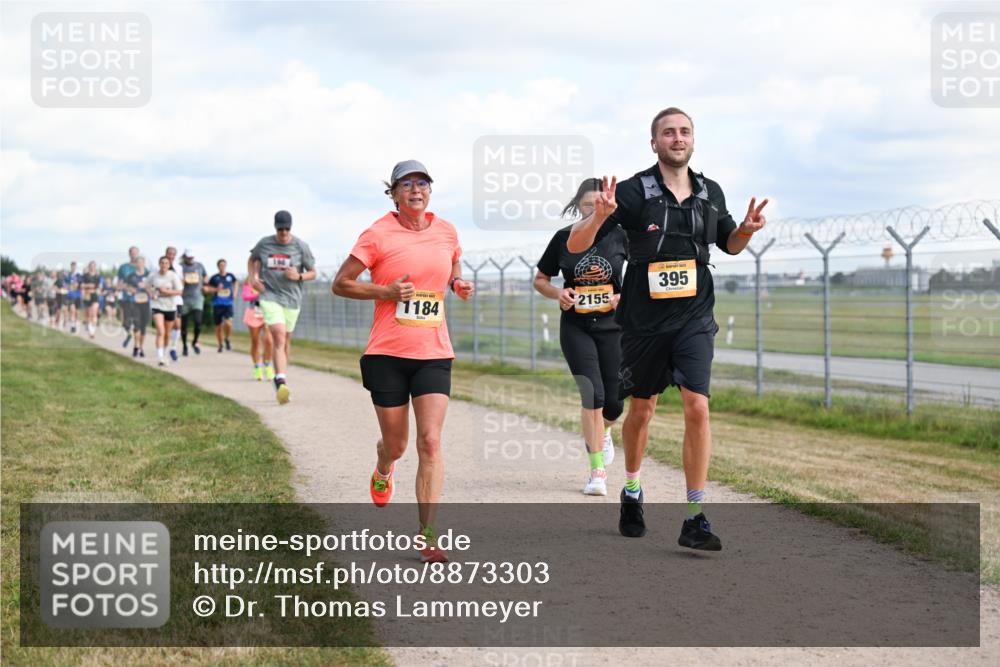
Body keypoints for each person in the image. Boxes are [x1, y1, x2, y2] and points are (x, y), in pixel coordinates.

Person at [566, 107, 769, 551]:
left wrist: (748, 232)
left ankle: (695, 515)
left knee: (698, 406)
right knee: (642, 412)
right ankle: (633, 489)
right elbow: (576, 244)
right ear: (654, 143)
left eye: (685, 131)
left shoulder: (709, 192)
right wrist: (600, 216)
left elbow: (729, 244)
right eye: (668, 133)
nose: (678, 138)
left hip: (695, 317)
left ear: (693, 140)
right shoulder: (636, 192)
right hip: (644, 322)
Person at [333, 160, 474, 563]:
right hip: (386, 353)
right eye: (407, 184)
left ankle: (428, 534)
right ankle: (383, 465)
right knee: (397, 445)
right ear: (393, 193)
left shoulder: (446, 230)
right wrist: (387, 292)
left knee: (430, 441)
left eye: (423, 183)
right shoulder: (377, 233)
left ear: (430, 191)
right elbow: (341, 284)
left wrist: (456, 282)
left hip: (433, 351)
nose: (416, 189)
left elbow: (453, 263)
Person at [535, 178, 627, 496]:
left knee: (614, 405)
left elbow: (641, 275)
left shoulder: (621, 235)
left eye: (598, 204)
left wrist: (622, 297)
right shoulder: (564, 238)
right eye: (587, 205)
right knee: (593, 394)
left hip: (614, 327)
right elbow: (540, 279)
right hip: (576, 327)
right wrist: (557, 293)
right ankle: (596, 472)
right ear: (578, 206)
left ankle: (604, 432)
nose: (593, 210)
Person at [248, 210, 317, 404]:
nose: (284, 233)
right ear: (275, 228)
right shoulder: (265, 243)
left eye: (287, 229)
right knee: (277, 334)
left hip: (292, 299)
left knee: (284, 340)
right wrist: (253, 279)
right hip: (270, 295)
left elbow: (313, 272)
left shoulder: (301, 246)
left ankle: (281, 376)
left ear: (291, 227)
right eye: (280, 229)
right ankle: (280, 381)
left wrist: (299, 276)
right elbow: (252, 259)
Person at [149, 256, 183, 366]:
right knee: (160, 331)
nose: (164, 265)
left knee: (167, 334)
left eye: (166, 263)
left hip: (170, 306)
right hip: (157, 305)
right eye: (162, 263)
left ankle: (163, 354)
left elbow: (180, 291)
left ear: (169, 265)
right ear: (159, 264)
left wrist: (167, 292)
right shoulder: (153, 275)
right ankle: (160, 357)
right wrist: (151, 293)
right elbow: (146, 286)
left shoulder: (173, 276)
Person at [241, 279, 275, 381]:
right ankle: (257, 367)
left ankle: (268, 366)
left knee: (269, 340)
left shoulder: (271, 278)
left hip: (268, 313)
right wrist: (260, 294)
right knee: (255, 341)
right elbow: (246, 296)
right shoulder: (249, 280)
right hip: (254, 313)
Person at [179, 249, 208, 356]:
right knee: (184, 325)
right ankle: (184, 346)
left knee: (198, 322)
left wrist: (205, 282)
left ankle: (195, 342)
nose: (190, 259)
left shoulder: (199, 266)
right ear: (185, 256)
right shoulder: (180, 267)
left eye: (192, 257)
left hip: (197, 297)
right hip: (184, 298)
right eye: (188, 257)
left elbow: (205, 276)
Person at [206, 259, 238, 352]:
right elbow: (207, 289)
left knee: (228, 323)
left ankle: (227, 338)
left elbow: (236, 282)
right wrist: (216, 289)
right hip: (217, 304)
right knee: (218, 327)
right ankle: (220, 344)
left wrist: (235, 293)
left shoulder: (230, 276)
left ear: (226, 266)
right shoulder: (214, 277)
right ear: (218, 266)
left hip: (228, 304)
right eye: (220, 265)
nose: (222, 266)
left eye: (224, 265)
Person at [126, 256, 152, 358]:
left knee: (143, 326)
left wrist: (146, 286)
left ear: (144, 263)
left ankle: (141, 347)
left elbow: (153, 288)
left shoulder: (149, 275)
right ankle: (136, 346)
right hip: (135, 303)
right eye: (138, 262)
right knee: (136, 324)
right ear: (135, 264)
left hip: (146, 303)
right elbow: (126, 287)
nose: (140, 264)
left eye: (142, 262)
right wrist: (131, 289)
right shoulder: (131, 276)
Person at [118, 246, 140, 349]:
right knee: (125, 322)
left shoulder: (144, 268)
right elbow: (119, 283)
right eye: (132, 253)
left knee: (137, 322)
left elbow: (148, 283)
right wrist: (127, 287)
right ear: (129, 254)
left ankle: (137, 346)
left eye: (136, 253)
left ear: (138, 254)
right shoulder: (123, 267)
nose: (134, 255)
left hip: (140, 299)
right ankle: (129, 333)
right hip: (126, 298)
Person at [164, 246, 183, 361]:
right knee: (167, 327)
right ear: (166, 253)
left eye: (173, 254)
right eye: (169, 253)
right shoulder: (160, 266)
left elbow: (182, 282)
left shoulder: (178, 268)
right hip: (164, 301)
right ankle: (164, 349)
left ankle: (173, 348)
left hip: (177, 299)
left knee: (177, 325)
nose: (171, 256)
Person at [81, 261, 103, 339]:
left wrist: (98, 290)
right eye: (91, 266)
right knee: (89, 314)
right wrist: (89, 286)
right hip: (87, 295)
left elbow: (100, 286)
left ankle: (92, 332)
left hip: (95, 295)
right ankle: (89, 326)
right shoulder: (85, 276)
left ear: (95, 267)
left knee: (94, 313)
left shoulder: (98, 276)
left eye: (94, 266)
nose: (92, 267)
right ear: (89, 267)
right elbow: (82, 285)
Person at [65, 262, 82, 333]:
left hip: (78, 295)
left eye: (74, 266)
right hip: (70, 295)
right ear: (70, 267)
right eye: (72, 266)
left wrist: (77, 285)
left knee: (77, 312)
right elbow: (64, 284)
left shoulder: (79, 275)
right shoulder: (67, 275)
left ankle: (75, 323)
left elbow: (81, 284)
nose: (73, 268)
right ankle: (72, 326)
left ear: (76, 267)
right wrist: (68, 286)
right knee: (72, 310)